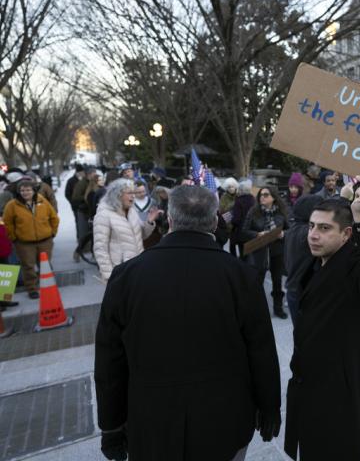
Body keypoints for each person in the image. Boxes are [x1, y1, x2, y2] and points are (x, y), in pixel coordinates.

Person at [94, 185, 281, 461]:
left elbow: (110, 360)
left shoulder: (126, 276)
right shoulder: (240, 276)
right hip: (223, 421)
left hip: (152, 421)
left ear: (169, 219)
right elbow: (261, 349)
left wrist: (110, 425)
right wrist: (269, 407)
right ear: (215, 221)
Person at [284, 175, 360, 461]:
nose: (313, 234)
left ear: (347, 234)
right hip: (310, 388)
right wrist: (342, 199)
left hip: (341, 397)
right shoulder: (317, 258)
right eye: (312, 226)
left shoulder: (356, 266)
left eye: (324, 228)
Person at [93, 179, 160, 281]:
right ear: (117, 194)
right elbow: (100, 249)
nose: (133, 196)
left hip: (137, 267)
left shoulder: (132, 211)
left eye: (133, 193)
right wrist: (109, 276)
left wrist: (149, 222)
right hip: (120, 271)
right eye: (129, 193)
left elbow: (141, 236)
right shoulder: (104, 214)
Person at [3, 179, 59, 299]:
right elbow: (7, 223)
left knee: (46, 265)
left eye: (28, 190)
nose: (25, 192)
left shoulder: (42, 201)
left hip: (45, 241)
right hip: (24, 243)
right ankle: (32, 289)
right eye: (22, 190)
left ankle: (49, 287)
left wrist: (52, 233)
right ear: (19, 192)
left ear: (33, 191)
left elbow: (54, 217)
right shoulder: (12, 205)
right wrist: (14, 238)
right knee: (28, 267)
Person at [241, 186, 289, 319]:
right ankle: (255, 310)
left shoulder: (281, 212)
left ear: (273, 197)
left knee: (277, 281)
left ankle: (278, 309)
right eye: (261, 195)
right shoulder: (253, 211)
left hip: (276, 252)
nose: (262, 197)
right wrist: (257, 234)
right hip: (258, 251)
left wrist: (283, 234)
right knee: (257, 282)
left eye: (266, 195)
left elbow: (290, 230)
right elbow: (244, 231)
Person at [284, 194, 323, 326]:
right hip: (302, 290)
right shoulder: (307, 233)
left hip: (294, 288)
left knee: (300, 333)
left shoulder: (293, 229)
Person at [230, 179, 256, 258]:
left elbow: (236, 219)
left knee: (242, 253)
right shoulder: (253, 200)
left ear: (240, 190)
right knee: (249, 254)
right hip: (252, 230)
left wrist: (232, 225)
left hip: (241, 231)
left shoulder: (239, 201)